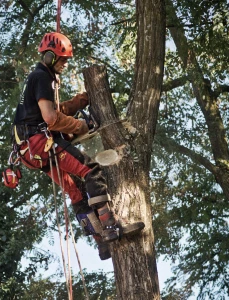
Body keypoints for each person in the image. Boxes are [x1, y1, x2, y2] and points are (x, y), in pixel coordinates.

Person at [11, 32, 144, 260]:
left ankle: (100, 241)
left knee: (76, 191)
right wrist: (82, 126)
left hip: (29, 151)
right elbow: (51, 118)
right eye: (63, 59)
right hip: (41, 143)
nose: (65, 63)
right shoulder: (42, 77)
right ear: (51, 56)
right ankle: (110, 226)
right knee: (91, 170)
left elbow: (54, 111)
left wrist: (82, 101)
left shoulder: (38, 79)